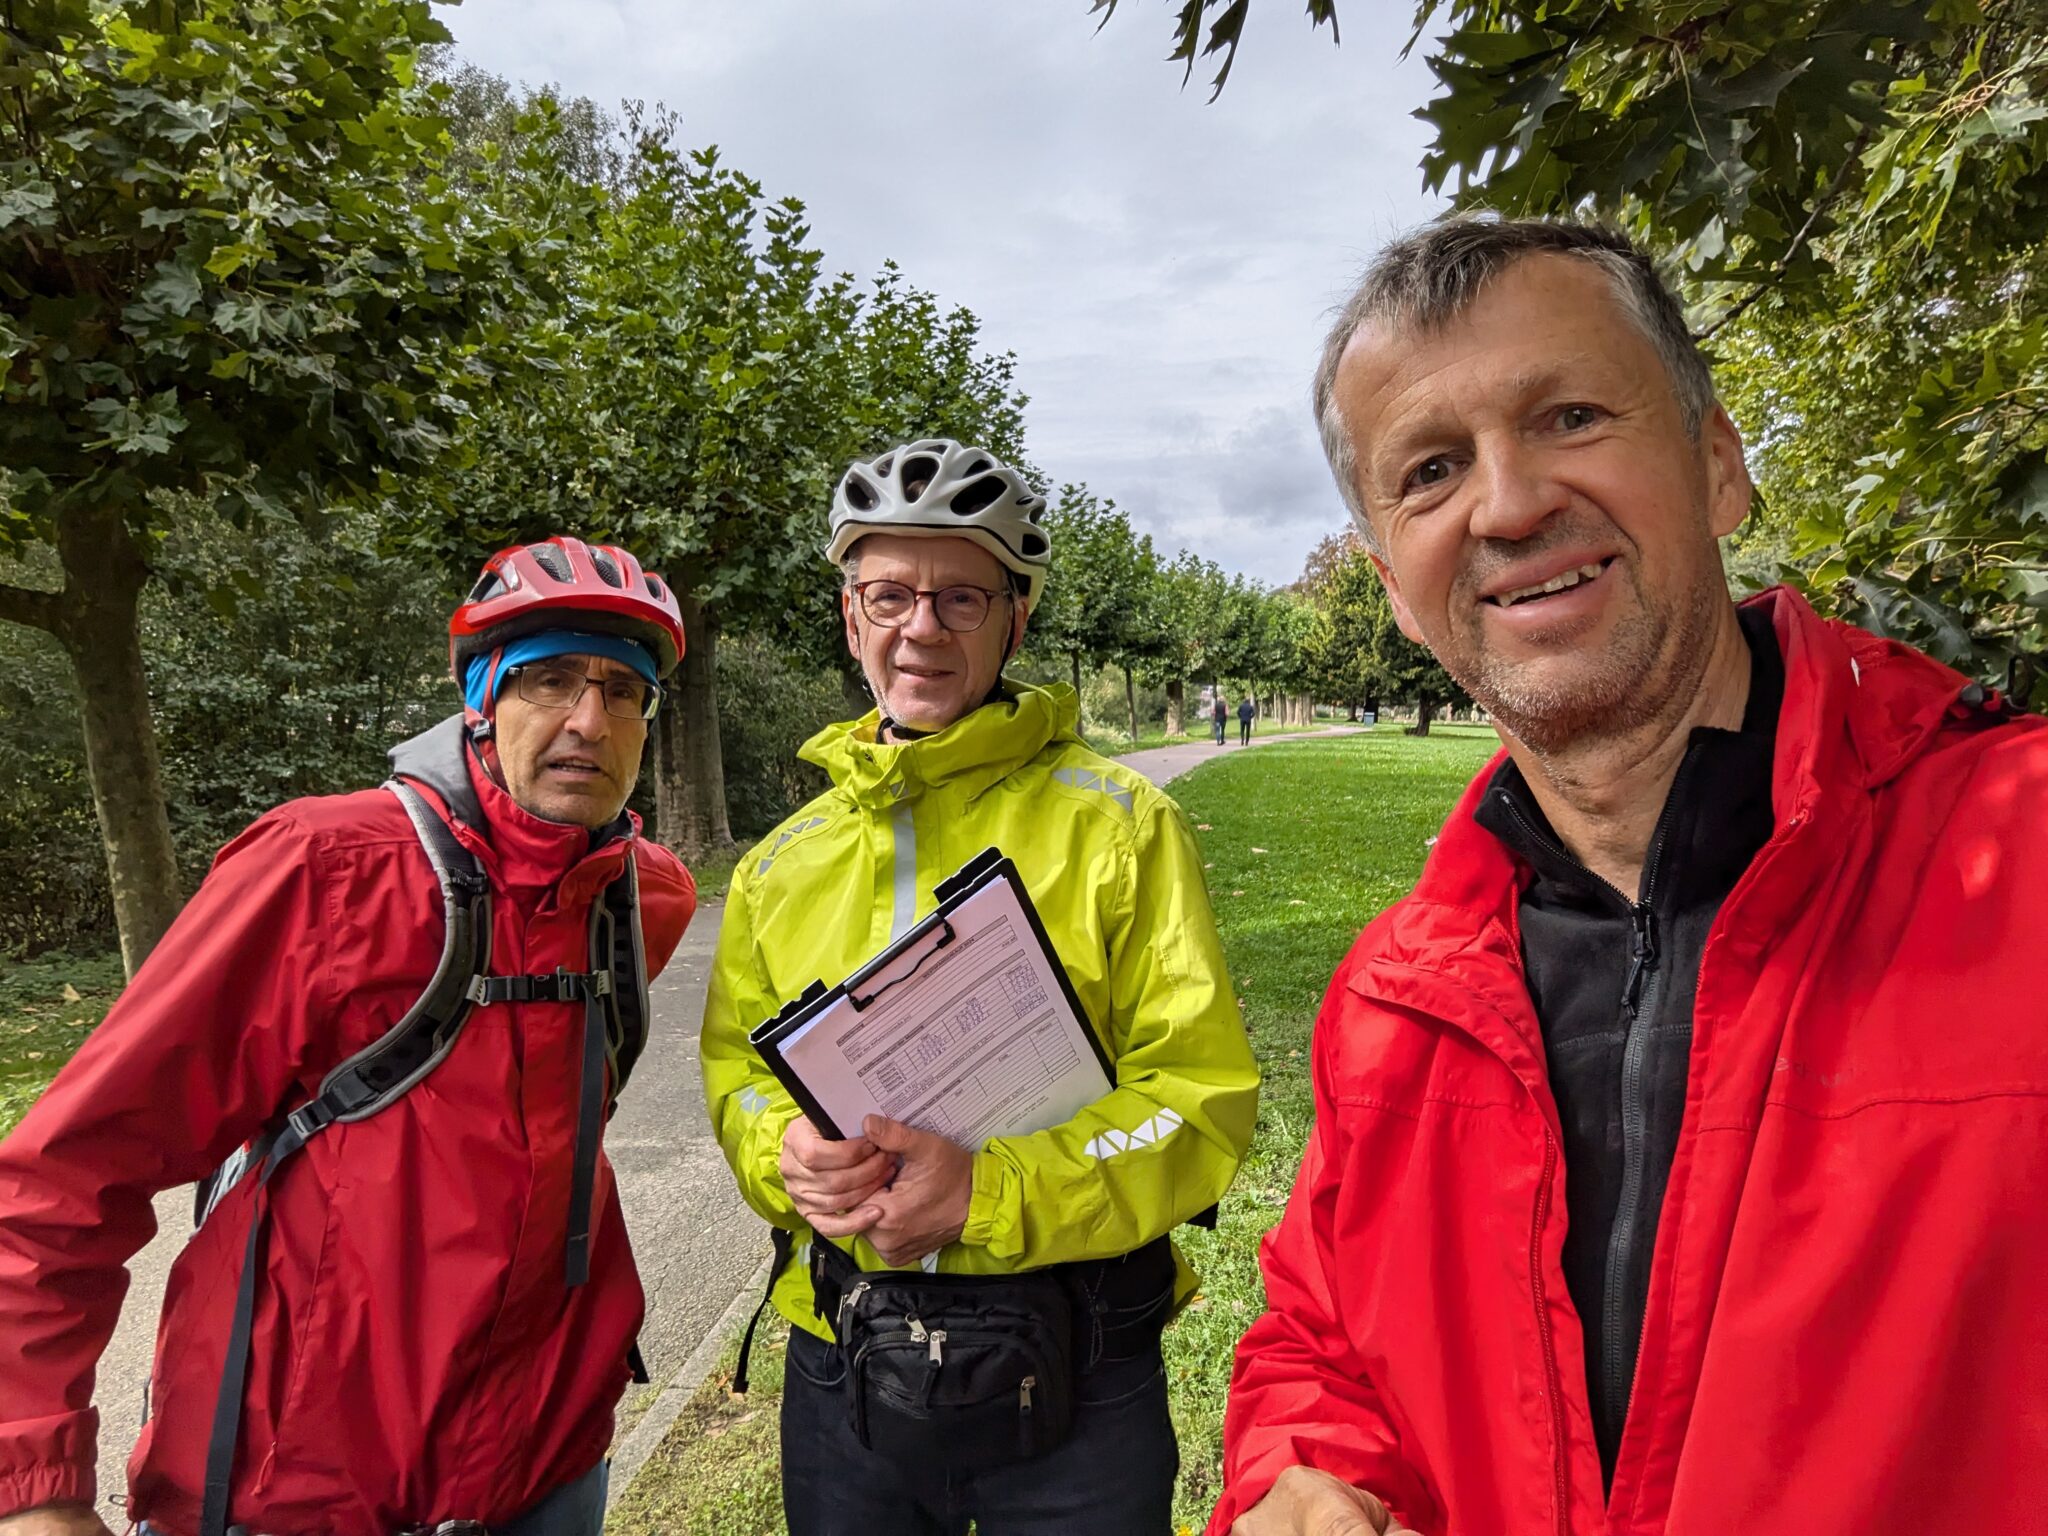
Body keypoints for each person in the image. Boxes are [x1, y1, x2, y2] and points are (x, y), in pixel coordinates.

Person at [1212, 218, 2048, 1535]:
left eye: (1570, 416)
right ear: (1393, 586)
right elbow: (1321, 1343)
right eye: (1431, 470)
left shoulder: (2024, 862)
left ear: (1718, 466)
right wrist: (1309, 1476)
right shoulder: (1391, 1005)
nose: (1508, 503)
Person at [0, 537, 697, 1536]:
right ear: (480, 702)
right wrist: (36, 1488)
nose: (589, 719)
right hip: (303, 1499)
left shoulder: (641, 898)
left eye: (622, 691)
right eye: (547, 681)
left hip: (547, 1473)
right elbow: (58, 1179)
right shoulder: (326, 869)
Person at [702, 437, 1259, 1536]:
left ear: (1016, 616)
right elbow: (735, 1077)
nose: (921, 626)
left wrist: (986, 1193)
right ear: (848, 612)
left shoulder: (1118, 824)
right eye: (889, 593)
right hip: (842, 1359)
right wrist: (782, 1155)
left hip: (1077, 1363)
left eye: (961, 595)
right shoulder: (777, 865)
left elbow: (1196, 1101)